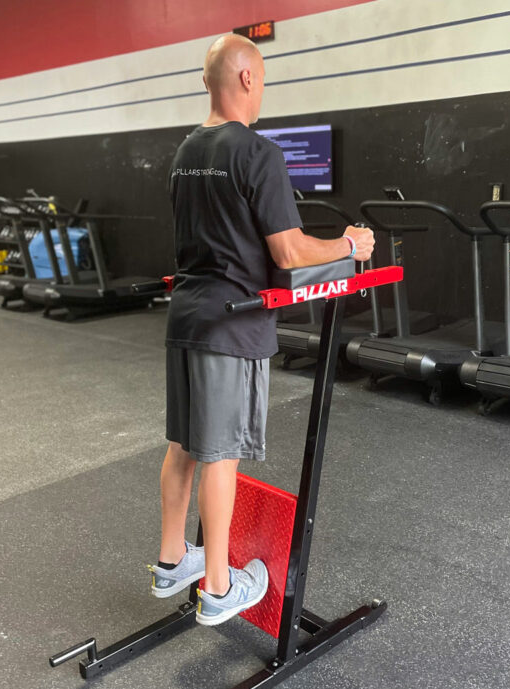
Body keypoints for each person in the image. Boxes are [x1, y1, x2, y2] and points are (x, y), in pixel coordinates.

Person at [148, 34, 374, 626]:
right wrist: (349, 244)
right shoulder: (258, 153)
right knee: (220, 453)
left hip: (188, 315)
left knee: (184, 445)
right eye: (264, 79)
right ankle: (221, 588)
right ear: (247, 80)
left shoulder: (185, 152)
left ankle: (174, 560)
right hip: (231, 323)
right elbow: (291, 249)